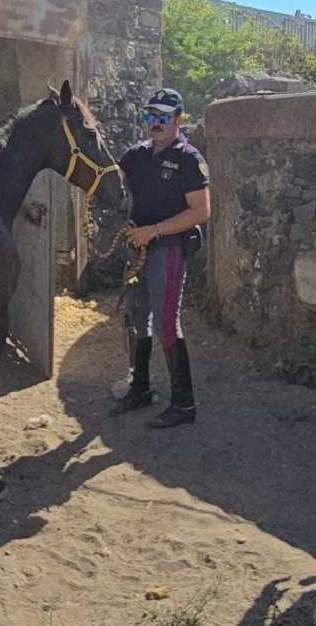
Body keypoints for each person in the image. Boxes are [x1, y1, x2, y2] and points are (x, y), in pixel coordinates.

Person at [111, 88, 212, 428]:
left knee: (167, 322)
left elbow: (201, 211)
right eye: (150, 116)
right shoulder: (136, 154)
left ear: (178, 120)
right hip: (138, 247)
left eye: (163, 117)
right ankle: (140, 388)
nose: (155, 123)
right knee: (139, 318)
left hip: (168, 248)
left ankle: (184, 404)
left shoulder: (188, 158)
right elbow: (111, 182)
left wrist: (154, 230)